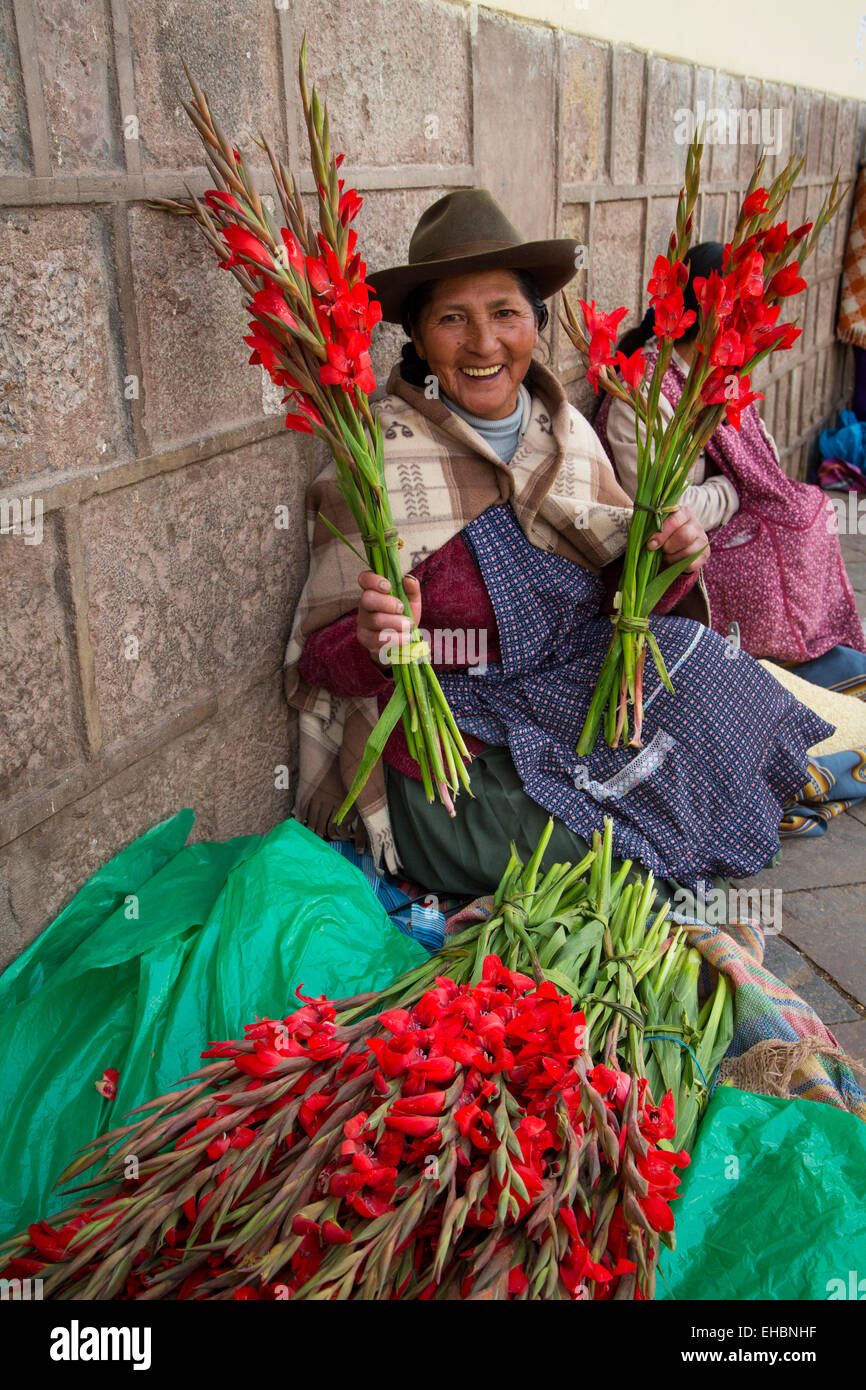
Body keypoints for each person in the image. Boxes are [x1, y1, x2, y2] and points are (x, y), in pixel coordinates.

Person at [284, 191, 832, 900]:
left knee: (720, 678)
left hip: (574, 688)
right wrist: (373, 640)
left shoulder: (569, 433)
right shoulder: (374, 460)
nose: (484, 343)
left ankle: (687, 812)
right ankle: (662, 835)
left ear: (536, 325)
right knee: (582, 857)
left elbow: (618, 605)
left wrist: (667, 560)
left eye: (506, 314)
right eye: (453, 319)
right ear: (417, 340)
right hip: (452, 734)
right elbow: (315, 665)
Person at [596, 242, 866, 690]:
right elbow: (666, 510)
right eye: (743, 318)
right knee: (778, 548)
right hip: (667, 553)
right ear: (709, 316)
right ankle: (765, 661)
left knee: (812, 510)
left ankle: (807, 650)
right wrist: (736, 490)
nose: (754, 332)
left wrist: (741, 480)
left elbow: (766, 458)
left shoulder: (717, 376)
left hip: (716, 523)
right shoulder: (645, 392)